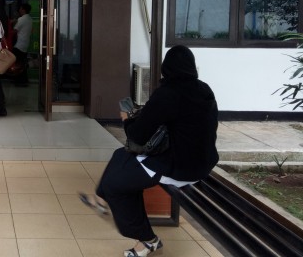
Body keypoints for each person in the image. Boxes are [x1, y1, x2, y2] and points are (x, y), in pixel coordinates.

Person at [80, 45, 219, 257]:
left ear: (167, 68)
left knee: (116, 185)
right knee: (121, 155)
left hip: (178, 167)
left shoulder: (168, 93)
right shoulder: (204, 89)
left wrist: (127, 120)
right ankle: (100, 198)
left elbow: (137, 135)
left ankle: (147, 241)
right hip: (202, 161)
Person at [11, 3, 33, 86]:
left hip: (19, 44)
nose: (19, 10)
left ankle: (19, 81)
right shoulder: (30, 19)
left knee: (17, 63)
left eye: (20, 8)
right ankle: (23, 80)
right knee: (22, 63)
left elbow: (14, 31)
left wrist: (11, 23)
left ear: (23, 9)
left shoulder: (22, 19)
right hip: (25, 44)